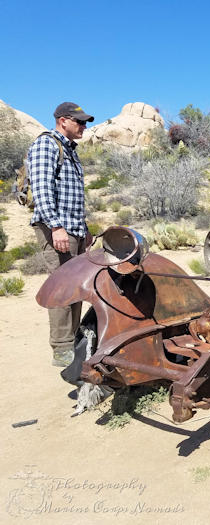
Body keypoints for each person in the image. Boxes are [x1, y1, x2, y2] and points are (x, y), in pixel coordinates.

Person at [28, 102, 94, 367]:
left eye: (85, 122)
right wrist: (55, 226)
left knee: (76, 288)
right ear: (63, 120)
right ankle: (62, 348)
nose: (84, 126)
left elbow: (73, 198)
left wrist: (85, 230)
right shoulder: (46, 145)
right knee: (59, 289)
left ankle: (73, 341)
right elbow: (42, 189)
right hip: (57, 229)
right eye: (79, 121)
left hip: (73, 229)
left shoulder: (70, 151)